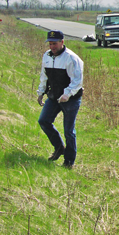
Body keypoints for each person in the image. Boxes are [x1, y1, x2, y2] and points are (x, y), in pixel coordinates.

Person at [37, 30, 84, 169]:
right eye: (50, 44)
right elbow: (44, 76)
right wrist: (41, 93)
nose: (52, 46)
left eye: (55, 43)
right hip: (53, 96)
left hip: (71, 99)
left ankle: (69, 162)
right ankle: (59, 148)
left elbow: (77, 81)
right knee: (44, 121)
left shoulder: (72, 59)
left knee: (69, 131)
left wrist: (67, 95)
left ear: (62, 42)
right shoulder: (46, 56)